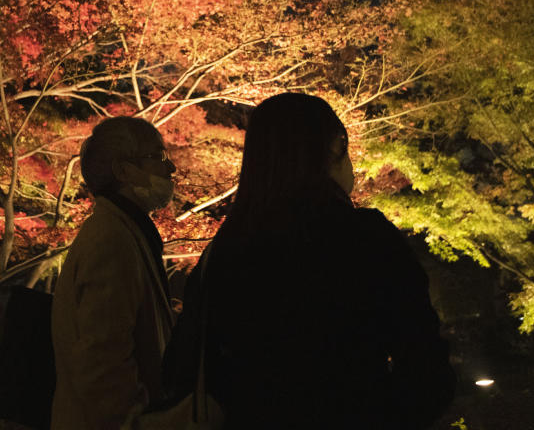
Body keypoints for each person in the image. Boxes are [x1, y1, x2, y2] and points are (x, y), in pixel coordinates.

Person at [163, 93, 455, 428]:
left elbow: (181, 365)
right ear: (334, 146)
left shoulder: (224, 252)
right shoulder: (363, 238)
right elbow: (425, 365)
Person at [51, 116, 177, 430]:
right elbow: (103, 365)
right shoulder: (113, 240)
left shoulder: (121, 231)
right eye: (158, 158)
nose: (170, 168)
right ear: (123, 171)